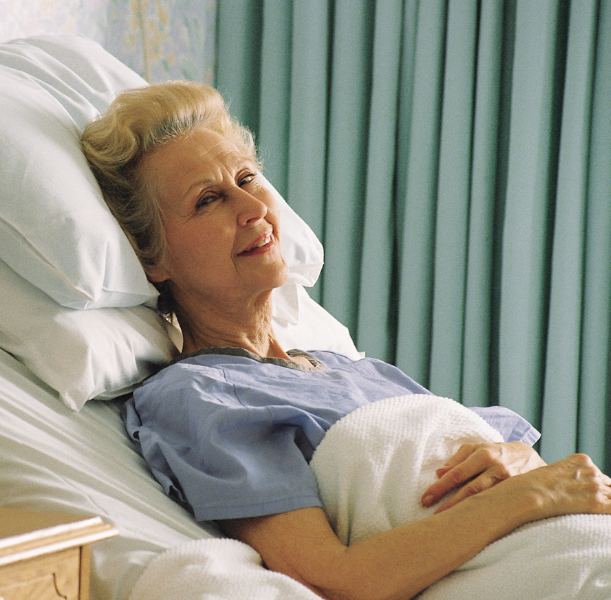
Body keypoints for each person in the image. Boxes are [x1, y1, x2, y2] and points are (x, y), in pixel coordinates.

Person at [80, 81, 611, 600]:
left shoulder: (352, 368)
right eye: (209, 199)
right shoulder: (198, 396)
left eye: (248, 178)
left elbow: (508, 463)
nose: (253, 208)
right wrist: (531, 493)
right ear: (153, 259)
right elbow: (335, 580)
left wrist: (519, 460)